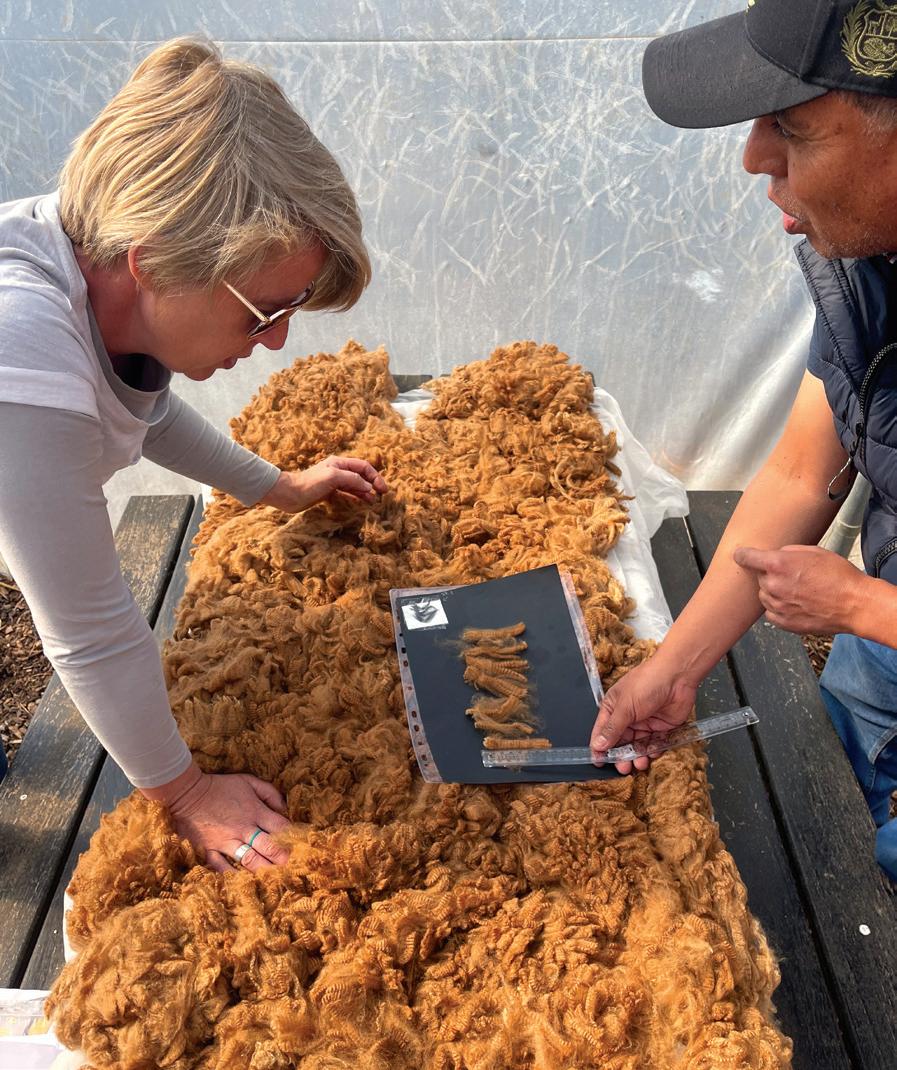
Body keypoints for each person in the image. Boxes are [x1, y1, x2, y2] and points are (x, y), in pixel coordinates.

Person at [0, 38, 388, 873]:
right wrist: (184, 794)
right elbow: (91, 633)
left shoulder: (95, 263)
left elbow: (141, 411)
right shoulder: (20, 349)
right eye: (264, 311)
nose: (276, 340)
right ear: (153, 265)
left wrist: (282, 488)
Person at [590, 0, 897, 882]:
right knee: (832, 818)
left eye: (791, 129)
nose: (753, 156)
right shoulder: (868, 270)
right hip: (881, 647)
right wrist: (675, 668)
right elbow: (801, 472)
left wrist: (861, 608)